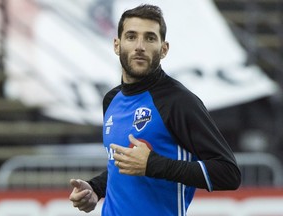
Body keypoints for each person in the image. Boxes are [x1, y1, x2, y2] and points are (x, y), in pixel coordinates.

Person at [69, 4, 241, 216]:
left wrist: (154, 165)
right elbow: (123, 165)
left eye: (150, 38)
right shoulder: (111, 100)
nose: (140, 46)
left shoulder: (179, 101)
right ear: (117, 45)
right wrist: (95, 188)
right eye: (131, 37)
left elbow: (229, 174)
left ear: (163, 49)